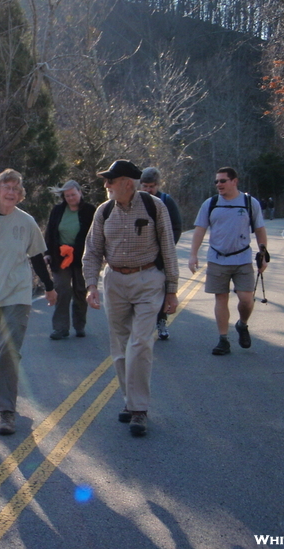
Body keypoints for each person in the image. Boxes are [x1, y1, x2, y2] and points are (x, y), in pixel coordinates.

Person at [83, 160, 179, 437]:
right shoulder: (104, 211)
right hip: (114, 281)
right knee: (120, 346)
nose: (106, 185)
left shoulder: (153, 207)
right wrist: (91, 285)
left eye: (110, 181)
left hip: (148, 280)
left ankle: (139, 410)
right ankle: (130, 401)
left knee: (139, 344)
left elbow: (168, 249)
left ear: (127, 183)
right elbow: (92, 251)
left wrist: (171, 289)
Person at [0, 169, 57, 435]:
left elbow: (38, 257)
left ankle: (6, 412)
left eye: (17, 188)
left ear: (21, 194)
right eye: (7, 186)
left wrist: (49, 288)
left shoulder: (26, 222)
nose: (12, 191)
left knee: (7, 351)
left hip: (17, 295)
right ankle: (6, 398)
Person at [188, 167, 268, 356]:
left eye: (223, 181)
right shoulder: (211, 203)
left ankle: (242, 324)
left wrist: (263, 254)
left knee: (246, 299)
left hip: (242, 259)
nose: (219, 185)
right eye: (217, 181)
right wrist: (193, 254)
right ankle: (223, 340)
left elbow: (260, 230)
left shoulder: (250, 202)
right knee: (220, 298)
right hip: (217, 259)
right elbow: (199, 230)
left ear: (234, 181)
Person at [44, 180, 96, 340]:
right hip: (60, 256)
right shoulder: (58, 210)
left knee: (81, 291)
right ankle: (60, 328)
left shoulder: (90, 211)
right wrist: (47, 252)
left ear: (80, 192)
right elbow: (50, 232)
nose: (71, 198)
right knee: (62, 290)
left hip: (83, 257)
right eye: (67, 196)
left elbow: (97, 234)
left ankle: (79, 325)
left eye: (73, 194)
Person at [140, 167, 183, 341]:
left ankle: (161, 321)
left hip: (160, 256)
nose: (149, 190)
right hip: (139, 255)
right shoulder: (135, 201)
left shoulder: (166, 201)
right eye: (145, 186)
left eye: (152, 186)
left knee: (161, 290)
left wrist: (166, 247)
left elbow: (176, 227)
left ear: (158, 185)